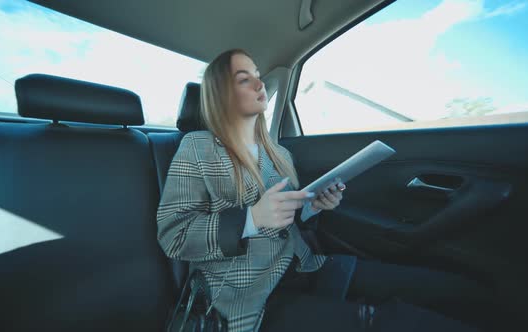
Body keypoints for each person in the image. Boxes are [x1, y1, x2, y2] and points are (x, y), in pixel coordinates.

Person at [157, 49, 487, 332]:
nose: (259, 83)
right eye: (245, 79)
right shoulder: (197, 148)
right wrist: (251, 219)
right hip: (249, 294)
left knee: (454, 290)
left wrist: (316, 206)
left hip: (307, 265)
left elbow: (293, 216)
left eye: (258, 76)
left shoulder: (279, 153)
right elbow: (174, 235)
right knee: (396, 322)